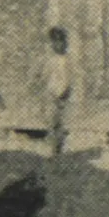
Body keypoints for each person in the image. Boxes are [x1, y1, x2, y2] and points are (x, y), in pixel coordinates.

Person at [46, 26, 72, 156]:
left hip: (61, 95)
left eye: (60, 42)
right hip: (52, 94)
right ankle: (53, 148)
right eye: (54, 42)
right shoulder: (52, 59)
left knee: (59, 122)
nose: (57, 45)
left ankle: (58, 148)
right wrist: (51, 90)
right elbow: (50, 76)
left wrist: (61, 92)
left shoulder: (65, 60)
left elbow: (66, 79)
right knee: (52, 122)